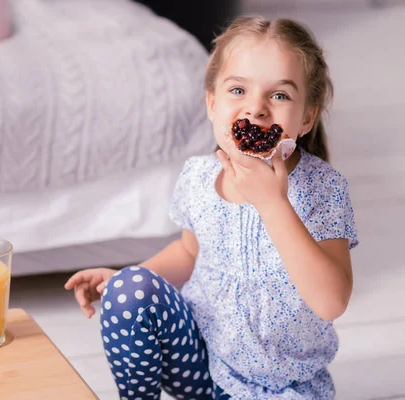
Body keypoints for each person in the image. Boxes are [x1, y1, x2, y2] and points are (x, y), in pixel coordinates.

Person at [65, 15, 358, 400]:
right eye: (238, 90)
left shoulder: (325, 190)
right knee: (128, 288)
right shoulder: (199, 178)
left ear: (306, 117)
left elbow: (331, 301)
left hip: (284, 387)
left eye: (280, 95)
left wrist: (273, 202)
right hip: (201, 364)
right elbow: (189, 251)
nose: (256, 110)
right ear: (211, 102)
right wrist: (120, 280)